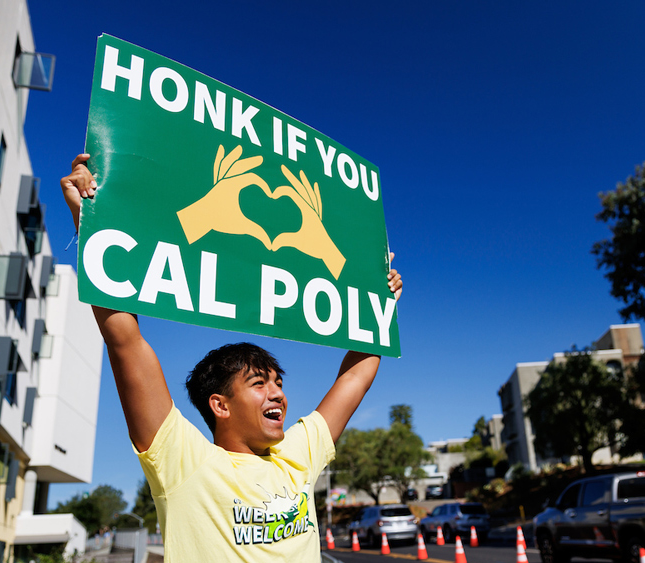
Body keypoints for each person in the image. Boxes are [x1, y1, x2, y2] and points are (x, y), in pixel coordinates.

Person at [60, 154, 402, 562]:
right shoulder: (184, 462)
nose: (277, 394)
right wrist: (91, 221)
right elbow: (126, 343)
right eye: (259, 384)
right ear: (219, 404)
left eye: (278, 382)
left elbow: (354, 379)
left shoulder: (296, 457)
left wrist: (378, 304)